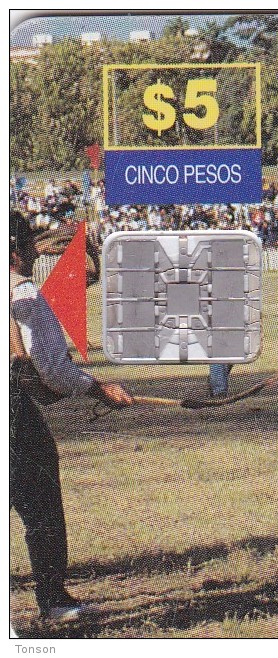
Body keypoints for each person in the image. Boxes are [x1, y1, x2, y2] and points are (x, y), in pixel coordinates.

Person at [10, 211, 134, 622]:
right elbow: (51, 369)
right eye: (29, 244)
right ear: (18, 248)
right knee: (40, 503)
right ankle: (54, 601)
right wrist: (98, 388)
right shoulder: (22, 294)